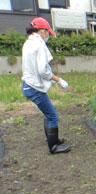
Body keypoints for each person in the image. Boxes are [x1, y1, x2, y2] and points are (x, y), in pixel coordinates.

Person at [22, 17, 71, 154]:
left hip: (28, 85)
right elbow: (43, 70)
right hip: (34, 87)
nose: (48, 35)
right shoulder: (39, 45)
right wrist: (58, 79)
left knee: (48, 113)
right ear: (42, 31)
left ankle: (52, 139)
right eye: (48, 32)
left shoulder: (29, 43)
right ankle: (53, 146)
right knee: (53, 116)